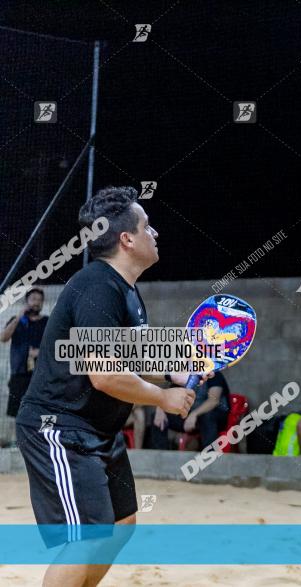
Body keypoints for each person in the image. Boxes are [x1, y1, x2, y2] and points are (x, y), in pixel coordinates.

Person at [14, 186, 198, 586]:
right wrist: (162, 398)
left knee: (121, 524)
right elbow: (104, 373)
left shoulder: (126, 290)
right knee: (89, 536)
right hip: (60, 428)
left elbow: (137, 354)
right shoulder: (97, 286)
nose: (156, 233)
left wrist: (177, 375)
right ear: (127, 239)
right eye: (147, 227)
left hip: (98, 431)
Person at [150, 371, 230, 450]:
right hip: (191, 419)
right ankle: (160, 455)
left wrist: (194, 414)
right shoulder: (185, 375)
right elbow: (169, 395)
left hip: (215, 417)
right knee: (157, 416)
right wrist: (160, 409)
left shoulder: (214, 374)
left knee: (207, 416)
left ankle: (210, 454)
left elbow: (213, 401)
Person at [1, 288, 48, 418]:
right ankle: (20, 438)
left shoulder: (47, 322)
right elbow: (3, 338)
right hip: (19, 373)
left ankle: (40, 438)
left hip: (41, 375)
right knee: (18, 411)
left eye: (39, 300)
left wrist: (41, 352)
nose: (36, 303)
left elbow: (55, 345)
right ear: (26, 301)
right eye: (33, 299)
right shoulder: (17, 320)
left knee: (41, 410)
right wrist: (18, 317)